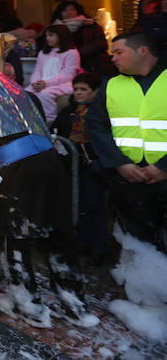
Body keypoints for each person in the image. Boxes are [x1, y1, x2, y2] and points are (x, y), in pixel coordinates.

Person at [0, 59, 98, 328]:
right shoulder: (17, 96)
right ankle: (75, 304)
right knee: (59, 236)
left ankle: (30, 307)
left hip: (19, 171)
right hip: (51, 164)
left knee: (16, 239)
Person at [85, 32, 167, 254]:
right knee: (138, 243)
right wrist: (119, 163)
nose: (113, 58)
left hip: (163, 175)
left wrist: (163, 167)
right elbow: (96, 126)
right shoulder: (111, 85)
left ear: (142, 51)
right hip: (127, 177)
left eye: (119, 52)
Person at [51, 73, 109, 264]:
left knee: (95, 205)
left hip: (93, 164)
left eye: (84, 89)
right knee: (78, 204)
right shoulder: (68, 111)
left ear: (95, 92)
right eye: (76, 89)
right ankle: (83, 242)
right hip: (71, 165)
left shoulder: (102, 112)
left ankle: (99, 248)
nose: (78, 93)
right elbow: (56, 130)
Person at [26, 24, 81, 122]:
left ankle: (49, 120)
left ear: (61, 36)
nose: (47, 38)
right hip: (42, 83)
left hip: (63, 84)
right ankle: (30, 119)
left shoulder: (71, 53)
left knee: (45, 94)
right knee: (26, 94)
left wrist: (47, 84)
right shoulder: (42, 53)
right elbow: (38, 70)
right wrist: (34, 82)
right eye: (46, 36)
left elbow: (68, 74)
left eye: (51, 35)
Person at [51, 0, 110, 75]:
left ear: (78, 11)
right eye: (65, 10)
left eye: (73, 9)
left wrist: (79, 53)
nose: (69, 12)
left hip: (91, 64)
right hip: (66, 66)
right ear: (60, 13)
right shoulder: (55, 28)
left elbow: (102, 43)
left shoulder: (90, 24)